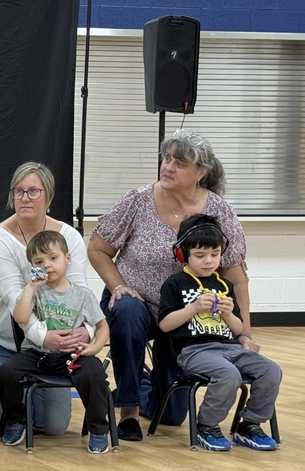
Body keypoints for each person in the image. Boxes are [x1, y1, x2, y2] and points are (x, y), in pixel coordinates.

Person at [88, 130, 253, 443]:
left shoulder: (219, 210)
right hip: (135, 301)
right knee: (127, 310)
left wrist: (244, 332)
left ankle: (140, 383)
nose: (168, 166)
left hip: (184, 312)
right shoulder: (136, 200)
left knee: (172, 415)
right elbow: (97, 249)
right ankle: (129, 411)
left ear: (201, 173)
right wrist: (119, 285)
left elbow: (236, 275)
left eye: (179, 163)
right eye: (166, 159)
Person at [0, 162, 91, 436]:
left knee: (53, 426)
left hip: (44, 347)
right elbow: (15, 301)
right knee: (9, 421)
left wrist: (84, 330)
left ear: (48, 196)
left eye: (33, 191)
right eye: (19, 191)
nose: (25, 197)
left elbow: (81, 293)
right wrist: (45, 336)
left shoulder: (69, 236)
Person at [157, 215, 280, 452]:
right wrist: (193, 308)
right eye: (200, 255)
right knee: (228, 374)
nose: (208, 261)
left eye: (214, 254)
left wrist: (228, 314)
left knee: (271, 370)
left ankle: (250, 424)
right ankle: (207, 425)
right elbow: (164, 325)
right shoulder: (175, 284)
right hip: (194, 351)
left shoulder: (224, 285)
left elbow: (237, 329)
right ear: (184, 255)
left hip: (230, 348)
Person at [0, 231, 113, 453]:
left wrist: (95, 347)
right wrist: (30, 287)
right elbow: (21, 317)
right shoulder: (34, 292)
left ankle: (98, 428)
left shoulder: (83, 295)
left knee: (94, 373)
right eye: (39, 262)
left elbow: (102, 325)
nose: (47, 265)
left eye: (53, 258)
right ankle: (15, 419)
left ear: (67, 259)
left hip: (71, 356)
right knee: (7, 371)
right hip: (37, 354)